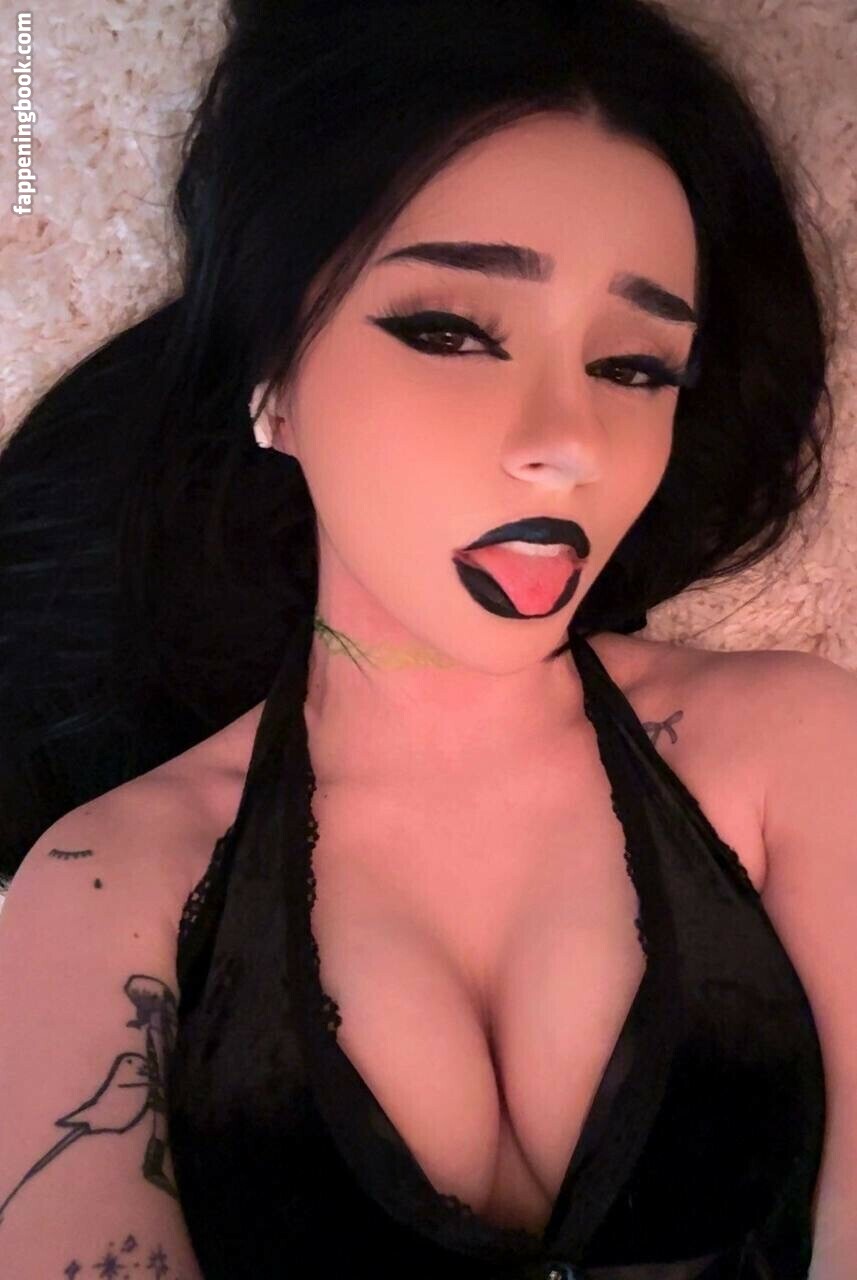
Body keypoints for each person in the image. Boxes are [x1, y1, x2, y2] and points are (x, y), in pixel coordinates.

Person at [0, 1, 853, 1277]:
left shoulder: (798, 746)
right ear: (272, 381)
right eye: (449, 331)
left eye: (634, 366)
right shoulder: (103, 888)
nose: (567, 444)